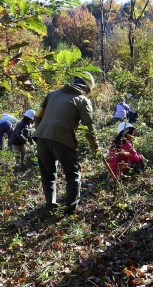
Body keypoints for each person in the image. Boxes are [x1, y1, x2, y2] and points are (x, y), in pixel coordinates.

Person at [33, 72, 99, 215]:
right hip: (62, 138)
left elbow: (37, 117)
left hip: (41, 137)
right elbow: (89, 127)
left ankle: (50, 206)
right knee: (73, 175)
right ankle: (70, 209)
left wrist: (42, 133)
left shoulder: (52, 94)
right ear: (87, 88)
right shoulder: (82, 100)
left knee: (48, 175)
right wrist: (96, 149)